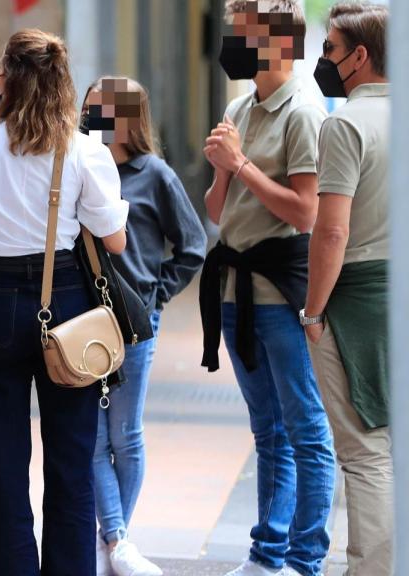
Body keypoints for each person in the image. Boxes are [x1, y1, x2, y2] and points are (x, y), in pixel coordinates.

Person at [0, 29, 129, 576]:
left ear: (6, 77)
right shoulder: (83, 148)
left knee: (0, 461)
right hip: (66, 299)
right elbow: (113, 238)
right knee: (71, 461)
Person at [200, 2, 336, 575]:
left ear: (276, 41)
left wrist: (243, 166)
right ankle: (266, 554)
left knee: (305, 429)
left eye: (242, 32)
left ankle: (304, 561)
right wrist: (225, 170)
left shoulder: (303, 112)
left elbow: (307, 213)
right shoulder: (239, 106)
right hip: (235, 290)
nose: (232, 41)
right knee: (267, 430)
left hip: (282, 294)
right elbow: (216, 210)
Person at [81, 77, 207, 576]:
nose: (90, 118)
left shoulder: (154, 173)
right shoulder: (81, 167)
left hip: (136, 324)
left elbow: (192, 245)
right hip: (84, 322)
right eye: (87, 108)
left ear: (127, 118)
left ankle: (114, 543)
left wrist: (156, 294)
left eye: (100, 109)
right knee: (92, 441)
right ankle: (118, 544)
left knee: (125, 436)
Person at [304, 3, 391, 574]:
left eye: (332, 49)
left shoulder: (346, 124)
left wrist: (312, 311)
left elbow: (331, 229)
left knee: (366, 455)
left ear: (360, 56)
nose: (325, 60)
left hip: (357, 296)